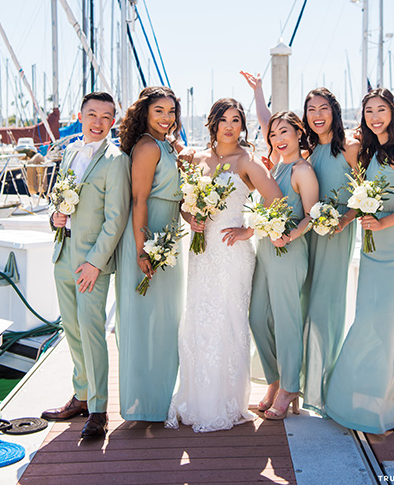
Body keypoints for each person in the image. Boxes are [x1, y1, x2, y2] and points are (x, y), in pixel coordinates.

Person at [165, 98, 282, 433]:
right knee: (198, 319)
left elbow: (277, 200)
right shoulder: (194, 158)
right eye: (224, 120)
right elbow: (184, 203)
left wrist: (249, 228)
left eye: (236, 120)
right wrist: (192, 217)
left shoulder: (246, 161)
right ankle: (196, 398)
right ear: (212, 123)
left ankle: (226, 401)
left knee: (227, 319)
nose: (230, 126)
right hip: (201, 251)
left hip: (232, 252)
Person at [324, 88, 394, 433]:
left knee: (383, 321)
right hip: (371, 248)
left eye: (381, 109)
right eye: (369, 110)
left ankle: (388, 405)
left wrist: (382, 222)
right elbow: (363, 199)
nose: (374, 116)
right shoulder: (369, 153)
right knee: (378, 317)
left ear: (393, 113)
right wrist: (344, 219)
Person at [41, 92, 131, 438]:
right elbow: (60, 201)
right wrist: (55, 216)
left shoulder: (116, 159)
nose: (98, 122)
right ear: (80, 116)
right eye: (91, 114)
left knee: (92, 333)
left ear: (113, 121)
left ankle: (98, 409)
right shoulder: (71, 153)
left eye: (106, 116)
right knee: (72, 331)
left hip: (90, 263)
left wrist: (96, 261)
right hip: (63, 255)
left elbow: (116, 217)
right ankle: (80, 396)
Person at [115, 86, 184, 422]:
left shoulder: (164, 145)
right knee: (145, 321)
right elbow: (139, 201)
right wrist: (142, 250)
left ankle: (159, 396)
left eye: (171, 112)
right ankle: (144, 403)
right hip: (149, 237)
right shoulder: (146, 146)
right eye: (160, 111)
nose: (167, 118)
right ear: (145, 112)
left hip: (167, 237)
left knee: (165, 320)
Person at [249, 111, 319, 420]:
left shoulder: (301, 170)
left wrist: (290, 235)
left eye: (284, 132)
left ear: (298, 133)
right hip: (264, 249)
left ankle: (290, 387)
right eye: (273, 134)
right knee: (256, 317)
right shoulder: (275, 166)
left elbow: (313, 214)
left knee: (287, 320)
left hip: (287, 251)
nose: (278, 138)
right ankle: (275, 380)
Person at [302, 88, 359, 415]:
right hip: (307, 235)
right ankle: (302, 382)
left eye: (324, 108)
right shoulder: (307, 150)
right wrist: (259, 94)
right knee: (306, 305)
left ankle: (323, 389)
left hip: (336, 235)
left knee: (326, 308)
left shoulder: (350, 147)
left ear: (334, 112)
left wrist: (345, 219)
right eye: (311, 109)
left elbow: (366, 190)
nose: (317, 114)